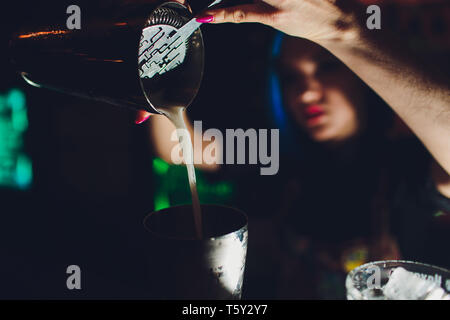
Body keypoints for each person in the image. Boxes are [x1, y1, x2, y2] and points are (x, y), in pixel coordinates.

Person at [140, 0, 450, 299]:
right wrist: (158, 71)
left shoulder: (407, 164)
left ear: (362, 76)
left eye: (327, 68)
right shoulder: (275, 154)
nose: (306, 93)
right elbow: (178, 148)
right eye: (290, 77)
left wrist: (346, 32)